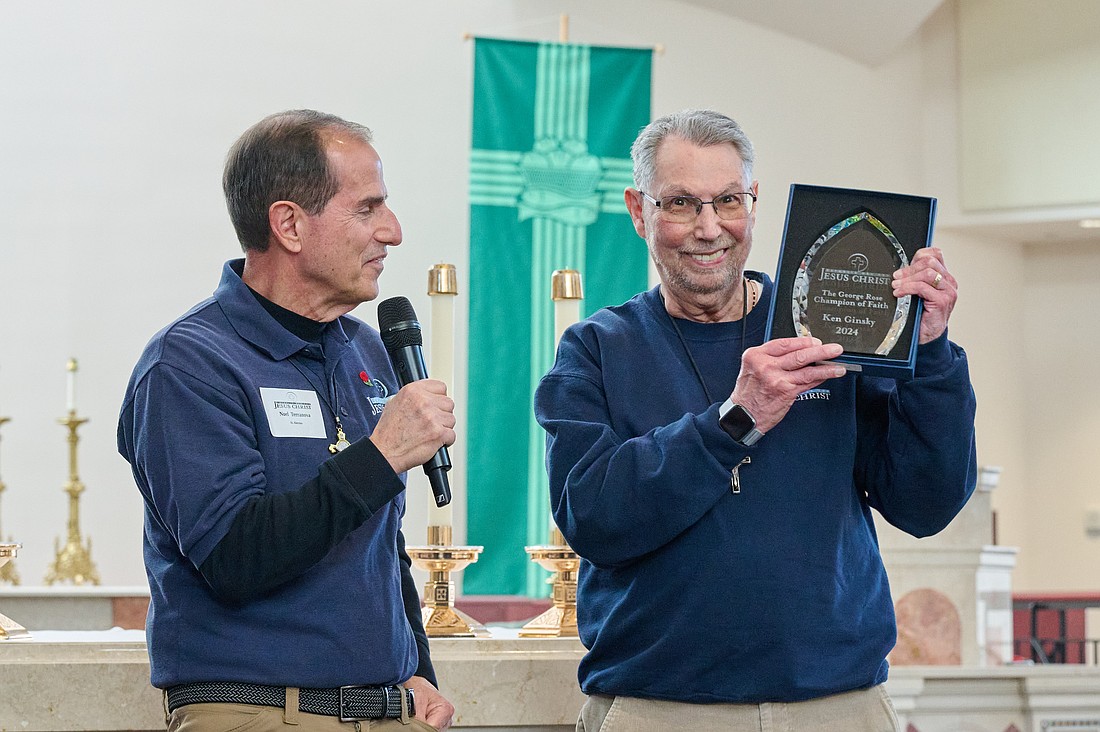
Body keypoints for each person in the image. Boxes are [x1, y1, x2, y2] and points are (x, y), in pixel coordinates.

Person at [534, 109, 976, 731]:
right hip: (659, 711)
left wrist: (930, 353)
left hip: (837, 707)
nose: (709, 228)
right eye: (682, 203)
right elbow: (595, 518)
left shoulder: (829, 332)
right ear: (639, 211)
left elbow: (925, 505)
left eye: (729, 201)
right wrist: (734, 421)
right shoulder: (598, 348)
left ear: (755, 202)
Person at [118, 110, 455, 732]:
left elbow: (382, 546)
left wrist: (418, 668)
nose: (394, 230)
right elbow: (236, 558)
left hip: (384, 709)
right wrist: (379, 459)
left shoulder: (366, 351)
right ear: (290, 225)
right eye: (367, 208)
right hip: (259, 713)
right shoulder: (190, 365)